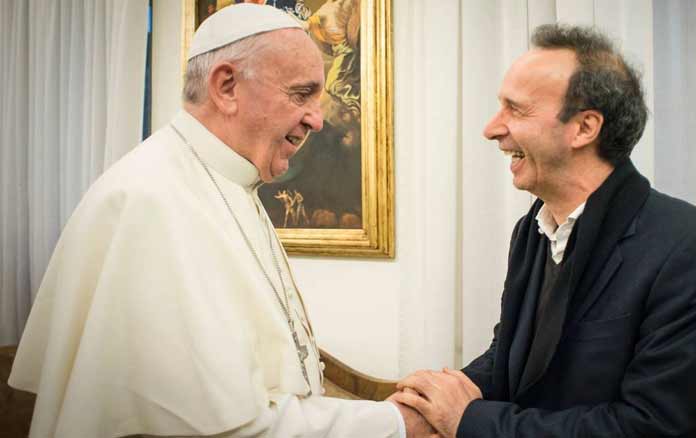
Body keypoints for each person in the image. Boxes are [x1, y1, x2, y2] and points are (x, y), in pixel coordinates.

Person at [9, 4, 432, 437]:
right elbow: (219, 428)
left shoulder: (231, 182)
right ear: (227, 86)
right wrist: (395, 424)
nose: (317, 119)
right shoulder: (150, 201)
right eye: (301, 94)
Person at [392, 24, 696, 438]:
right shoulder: (532, 229)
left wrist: (468, 420)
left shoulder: (693, 245)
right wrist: (430, 400)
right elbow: (510, 357)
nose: (491, 129)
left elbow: (652, 427)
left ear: (584, 128)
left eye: (515, 109)